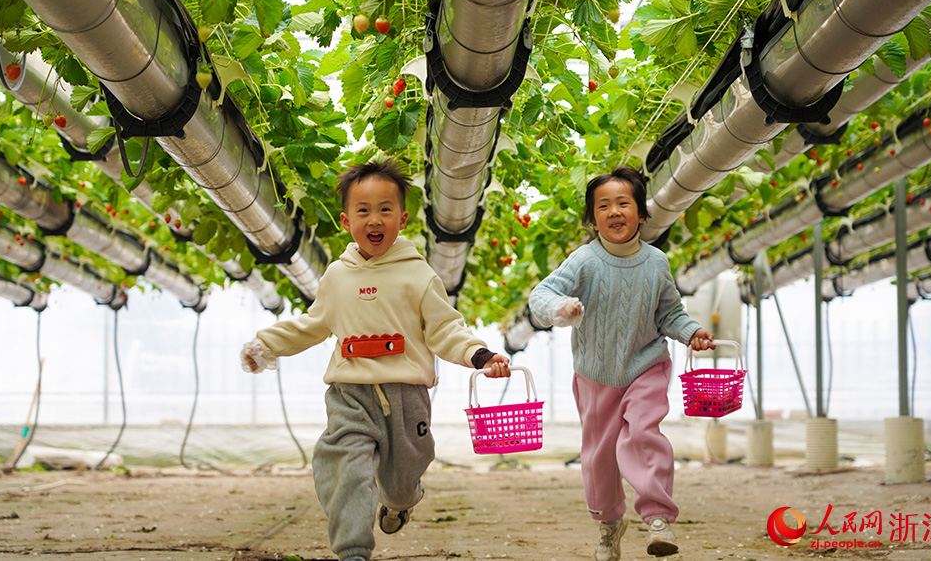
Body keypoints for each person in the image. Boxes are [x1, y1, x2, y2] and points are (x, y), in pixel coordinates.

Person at [239, 159, 510, 561]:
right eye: (363, 211)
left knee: (401, 478)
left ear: (401, 219)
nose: (374, 219)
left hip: (407, 397)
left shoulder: (419, 276)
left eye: (385, 209)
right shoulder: (336, 276)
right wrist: (266, 344)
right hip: (349, 395)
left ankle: (402, 500)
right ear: (347, 221)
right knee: (347, 469)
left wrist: (480, 355)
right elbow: (313, 324)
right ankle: (353, 551)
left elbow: (445, 329)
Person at [528, 166, 714, 560]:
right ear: (592, 218)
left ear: (641, 214)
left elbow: (670, 313)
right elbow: (541, 295)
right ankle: (609, 525)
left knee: (643, 433)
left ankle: (658, 517)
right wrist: (561, 307)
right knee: (600, 457)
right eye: (603, 205)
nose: (614, 211)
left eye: (623, 203)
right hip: (596, 374)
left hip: (646, 364)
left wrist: (691, 331)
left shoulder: (656, 262)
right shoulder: (584, 261)